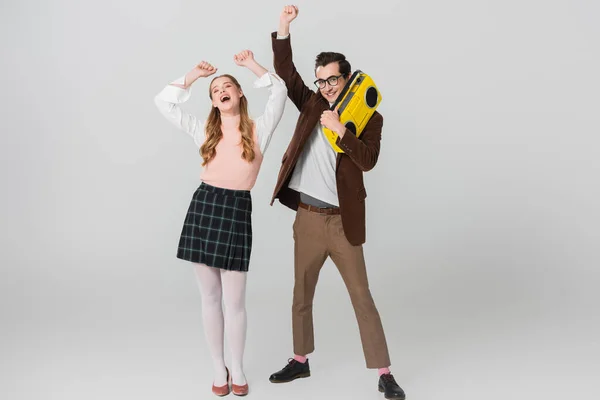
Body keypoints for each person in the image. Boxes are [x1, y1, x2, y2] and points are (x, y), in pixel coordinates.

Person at [266, 6, 406, 400]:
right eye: (322, 80)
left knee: (362, 297)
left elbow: (368, 160)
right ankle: (300, 360)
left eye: (333, 79)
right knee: (301, 293)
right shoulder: (311, 103)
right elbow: (286, 70)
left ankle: (384, 373)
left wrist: (341, 131)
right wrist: (284, 27)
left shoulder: (369, 118)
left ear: (347, 79)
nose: (327, 86)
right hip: (308, 219)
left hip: (343, 222)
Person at [154, 50, 287, 397]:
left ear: (240, 93)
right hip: (205, 206)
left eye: (228, 85)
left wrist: (252, 65)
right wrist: (194, 75)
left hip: (237, 209)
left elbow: (280, 92)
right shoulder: (203, 131)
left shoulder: (260, 128)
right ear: (213, 103)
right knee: (210, 297)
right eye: (216, 90)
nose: (222, 90)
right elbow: (164, 102)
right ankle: (218, 367)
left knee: (235, 301)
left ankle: (238, 367)